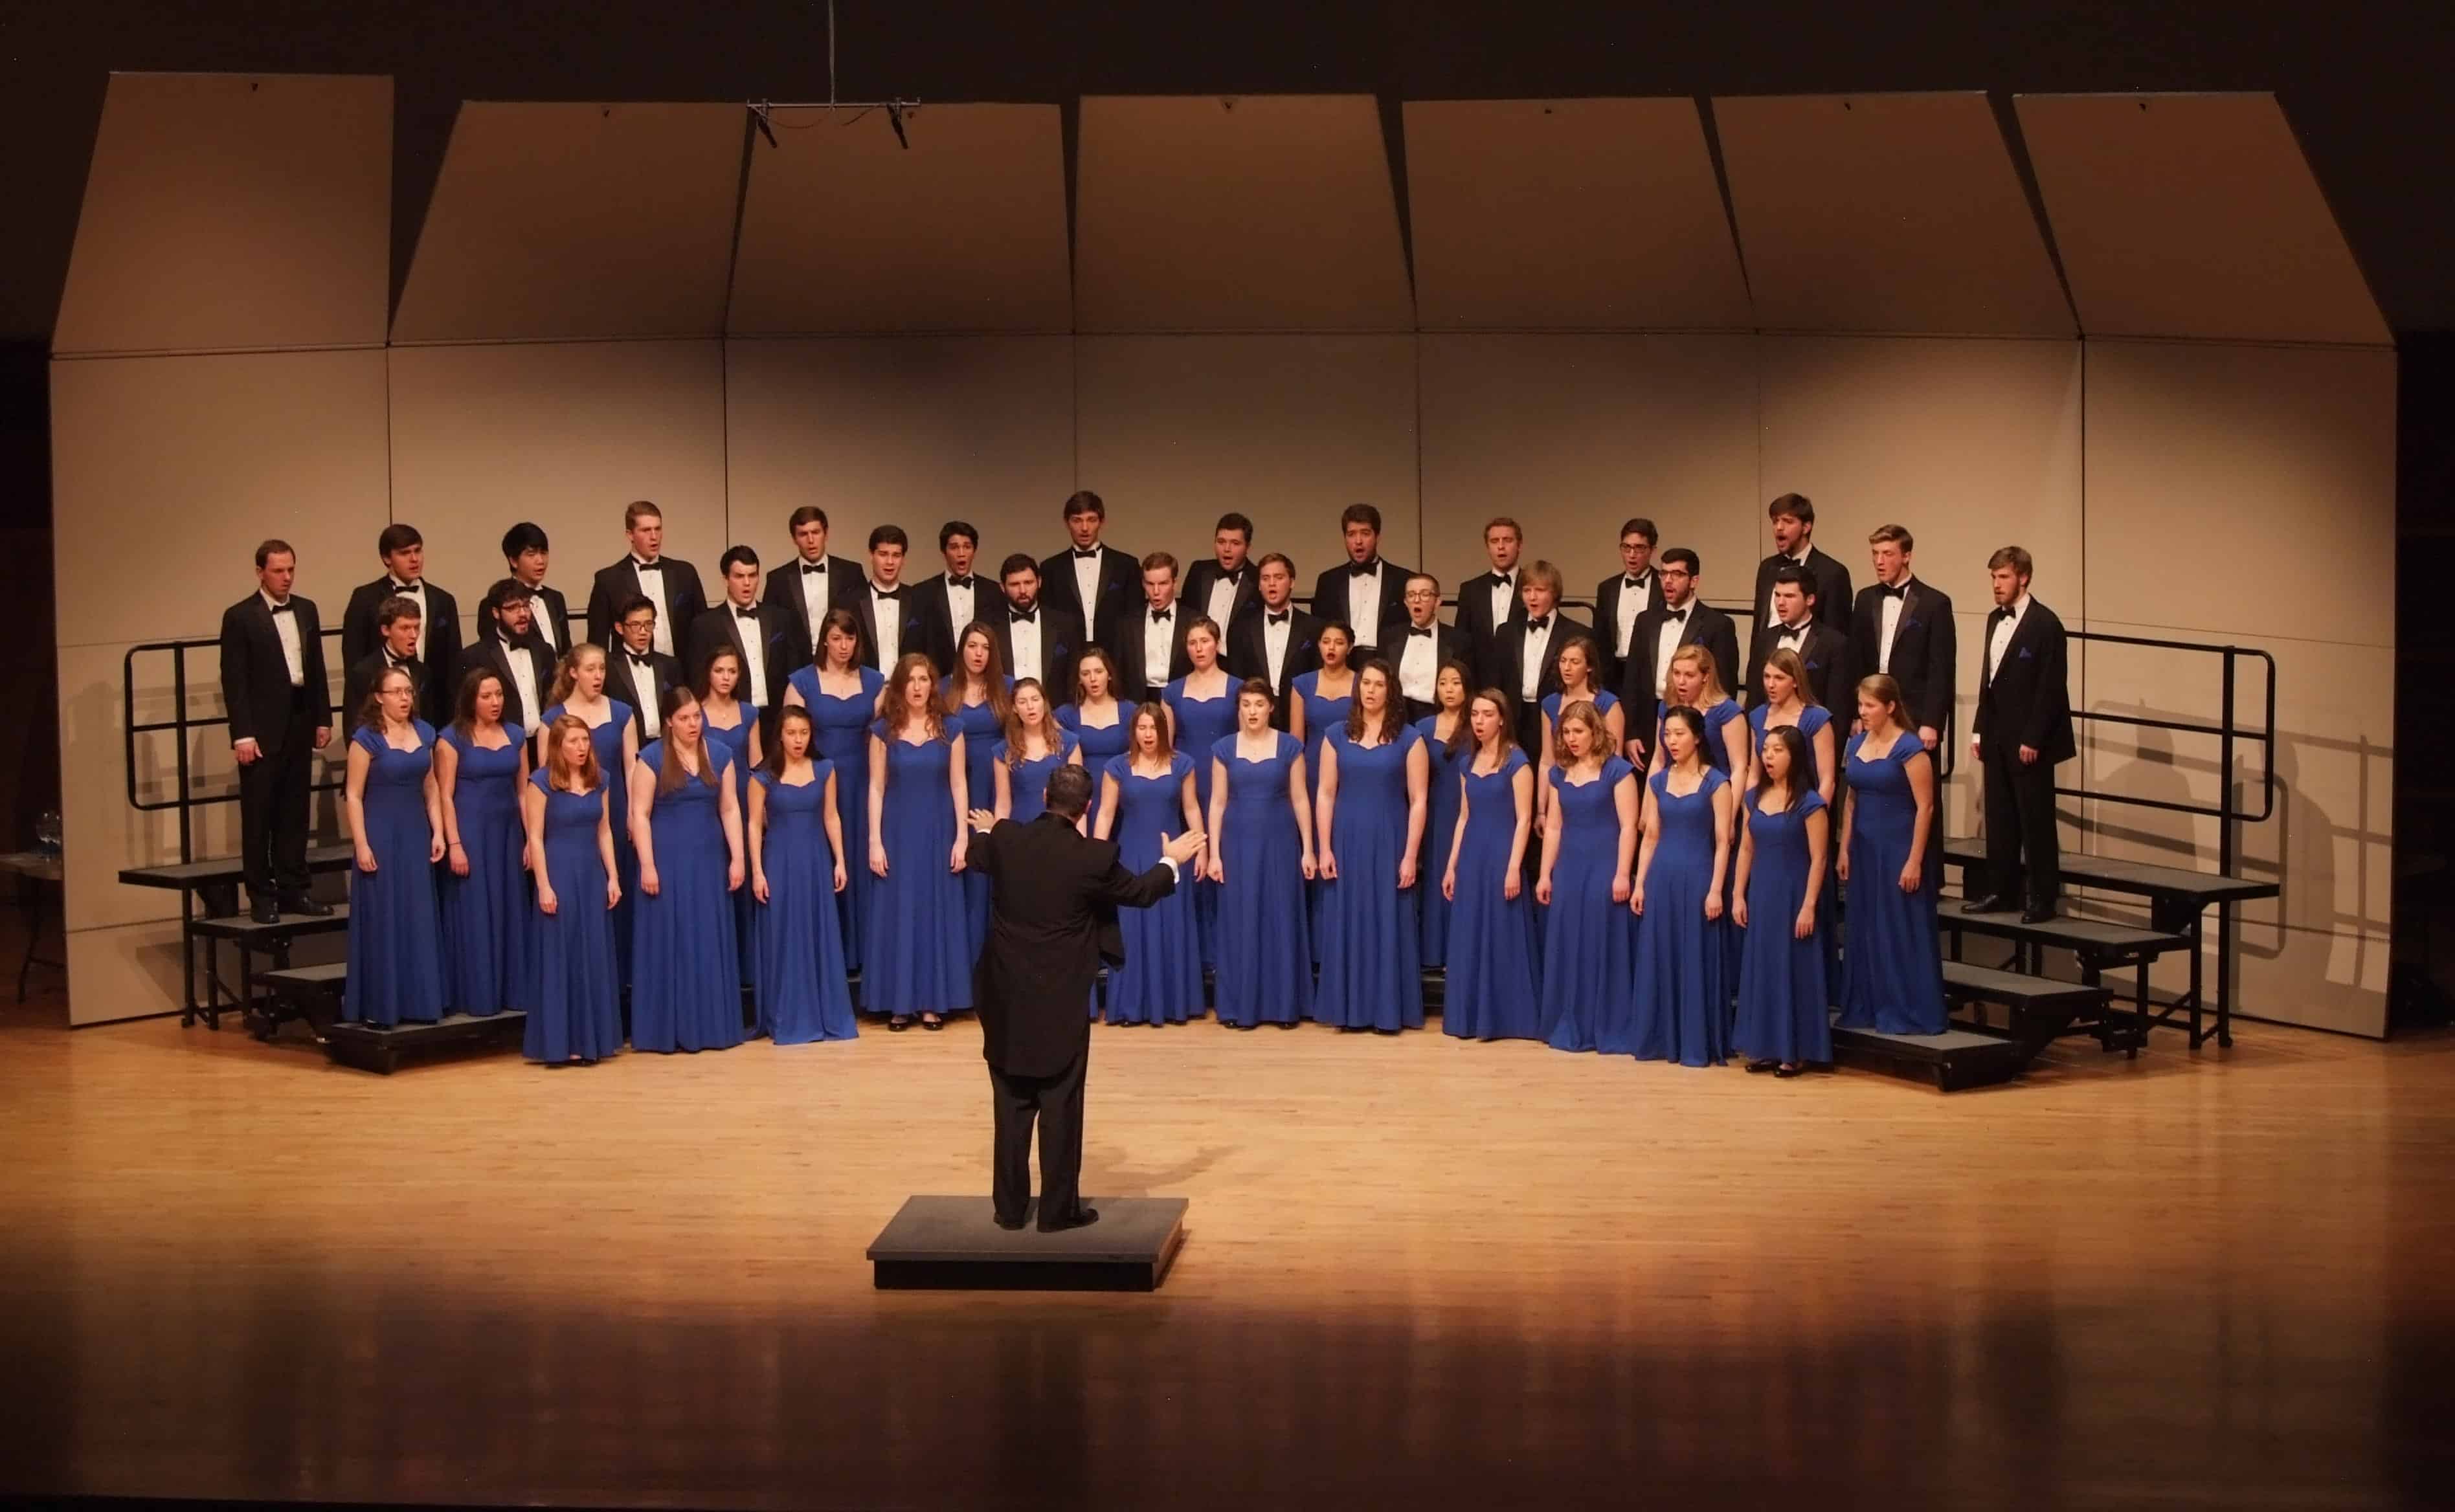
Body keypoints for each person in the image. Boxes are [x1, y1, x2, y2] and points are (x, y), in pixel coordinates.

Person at [965, 764, 1204, 1232]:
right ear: (1087, 808)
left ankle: (1010, 1211)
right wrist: (1172, 859)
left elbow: (979, 855)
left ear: (1044, 796)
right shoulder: (1092, 858)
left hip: (1005, 994)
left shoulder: (1007, 840)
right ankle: (1057, 1212)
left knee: (1010, 1104)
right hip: (1060, 998)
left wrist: (986, 828)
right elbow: (1138, 892)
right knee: (1060, 1105)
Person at [219, 540, 333, 924]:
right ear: (260, 573)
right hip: (262, 729)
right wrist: (243, 734)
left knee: (295, 811)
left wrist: (323, 717)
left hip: (300, 720)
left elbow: (315, 667)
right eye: (278, 571)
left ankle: (294, 890)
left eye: (291, 570)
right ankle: (261, 896)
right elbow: (234, 680)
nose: (286, 578)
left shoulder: (306, 609)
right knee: (259, 814)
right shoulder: (240, 616)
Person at [1312, 660, 1428, 1032]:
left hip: (1390, 839)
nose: (1371, 690)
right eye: (1366, 683)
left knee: (1387, 921)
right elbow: (1325, 794)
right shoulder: (1334, 735)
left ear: (1390, 691)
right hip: (1346, 839)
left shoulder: (1410, 738)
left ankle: (1386, 1010)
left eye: (1379, 684)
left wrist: (1410, 855)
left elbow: (1419, 800)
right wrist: (1324, 847)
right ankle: (1349, 1009)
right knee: (1348, 919)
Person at [628, 685, 745, 1054]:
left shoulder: (721, 754)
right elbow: (639, 815)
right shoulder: (650, 759)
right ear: (668, 721)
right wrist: (647, 864)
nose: (693, 723)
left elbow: (729, 808)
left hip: (708, 859)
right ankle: (670, 1028)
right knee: (671, 938)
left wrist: (738, 857)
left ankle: (712, 1026)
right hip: (668, 859)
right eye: (684, 718)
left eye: (697, 716)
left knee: (707, 936)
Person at [1966, 546, 2076, 923]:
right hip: (1996, 734)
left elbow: (2051, 688)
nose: (1996, 585)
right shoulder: (1993, 620)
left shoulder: (2046, 624)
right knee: (2000, 816)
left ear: (2023, 577)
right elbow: (1989, 680)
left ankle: (2043, 898)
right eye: (1994, 577)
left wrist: (2034, 738)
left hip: (2030, 740)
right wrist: (1980, 728)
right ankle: (2002, 890)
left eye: (2004, 577)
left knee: (2035, 819)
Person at [867, 653, 974, 1030]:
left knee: (934, 911)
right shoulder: (883, 732)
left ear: (933, 685)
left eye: (924, 679)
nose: (917, 687)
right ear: (900, 686)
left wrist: (962, 837)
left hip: (939, 829)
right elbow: (877, 788)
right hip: (897, 831)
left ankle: (932, 1002)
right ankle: (901, 1003)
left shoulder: (953, 729)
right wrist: (874, 841)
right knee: (902, 911)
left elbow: (959, 784)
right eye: (910, 680)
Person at [1840, 675, 1949, 1034]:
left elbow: (1926, 807)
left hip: (1899, 848)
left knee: (1899, 928)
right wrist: (1844, 849)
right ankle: (1867, 1004)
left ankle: (1906, 1007)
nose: (1863, 712)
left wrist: (1915, 859)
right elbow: (1851, 799)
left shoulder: (1911, 748)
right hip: (1865, 848)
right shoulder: (1856, 743)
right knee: (1866, 926)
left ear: (1890, 707)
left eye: (1870, 706)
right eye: (1860, 705)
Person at [1628, 704, 1734, 1067]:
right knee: (1662, 955)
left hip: (1699, 876)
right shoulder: (1657, 781)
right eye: (1667, 734)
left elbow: (1724, 841)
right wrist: (1640, 883)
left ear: (1698, 737)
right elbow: (1651, 837)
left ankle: (1694, 1041)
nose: (1671, 741)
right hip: (1663, 877)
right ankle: (1661, 1037)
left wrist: (1717, 889)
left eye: (1679, 734)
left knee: (1694, 956)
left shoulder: (1717, 782)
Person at [341, 665, 447, 1026]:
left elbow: (431, 788)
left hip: (415, 832)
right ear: (379, 697)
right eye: (397, 692)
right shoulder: (365, 739)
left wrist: (439, 832)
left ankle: (420, 1002)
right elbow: (353, 796)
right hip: (381, 833)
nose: (405, 698)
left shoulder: (425, 733)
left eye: (409, 692)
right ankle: (380, 1006)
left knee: (416, 915)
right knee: (384, 917)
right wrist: (362, 845)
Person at [782, 608, 884, 974]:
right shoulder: (802, 682)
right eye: (837, 638)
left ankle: (865, 956)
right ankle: (827, 955)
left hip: (861, 783)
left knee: (860, 861)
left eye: (850, 638)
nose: (843, 646)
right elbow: (789, 737)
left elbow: (883, 737)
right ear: (825, 639)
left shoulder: (875, 682)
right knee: (823, 863)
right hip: (816, 783)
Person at [1208, 678, 1315, 1028]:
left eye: (1258, 704)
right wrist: (1213, 854)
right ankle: (1241, 1007)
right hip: (1236, 845)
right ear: (1238, 709)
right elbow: (1218, 803)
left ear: (1271, 707)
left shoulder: (1290, 747)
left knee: (1280, 918)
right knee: (1240, 921)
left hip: (1281, 843)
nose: (1252, 711)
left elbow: (1301, 799)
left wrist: (1309, 850)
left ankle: (1284, 1007)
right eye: (1246, 705)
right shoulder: (1223, 748)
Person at [748, 706, 857, 1045]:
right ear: (780, 734)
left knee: (817, 933)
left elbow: (831, 817)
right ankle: (789, 1016)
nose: (798, 740)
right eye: (792, 733)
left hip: (814, 861)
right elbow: (753, 824)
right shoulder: (762, 775)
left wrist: (840, 861)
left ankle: (823, 1014)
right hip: (779, 862)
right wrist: (757, 871)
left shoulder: (825, 769)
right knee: (784, 937)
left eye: (804, 733)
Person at [1536, 700, 1639, 1054]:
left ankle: (1605, 1024)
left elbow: (1629, 828)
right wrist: (1545, 874)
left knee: (1600, 940)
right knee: (1569, 940)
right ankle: (1571, 1020)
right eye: (1566, 732)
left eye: (1578, 731)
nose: (1571, 738)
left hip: (1604, 864)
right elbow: (1553, 826)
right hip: (1570, 866)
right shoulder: (1559, 773)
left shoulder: (1618, 772)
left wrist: (1623, 873)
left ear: (1596, 732)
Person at [1094, 701, 1205, 1026]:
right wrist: (1097, 858)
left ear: (1163, 730)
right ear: (1134, 731)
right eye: (1141, 727)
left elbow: (1192, 809)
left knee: (1171, 925)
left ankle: (1173, 1006)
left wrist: (1202, 849)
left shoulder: (1183, 764)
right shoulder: (1117, 767)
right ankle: (1131, 1007)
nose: (1148, 734)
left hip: (1173, 855)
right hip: (1130, 855)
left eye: (1153, 727)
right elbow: (1105, 814)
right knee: (1132, 929)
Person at [535, 643, 640, 983]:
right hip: (569, 818)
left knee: (616, 891)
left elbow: (631, 767)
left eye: (602, 669)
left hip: (614, 808)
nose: (598, 676)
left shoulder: (622, 713)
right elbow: (545, 777)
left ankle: (620, 979)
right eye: (591, 669)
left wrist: (634, 816)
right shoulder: (553, 720)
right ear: (573, 673)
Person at [1440, 689, 1541, 1041]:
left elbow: (1525, 817)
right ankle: (1469, 1016)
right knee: (1471, 931)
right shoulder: (1468, 762)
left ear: (1502, 718)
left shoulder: (1518, 761)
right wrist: (1452, 865)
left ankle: (1507, 1018)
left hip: (1502, 852)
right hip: (1472, 854)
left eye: (1486, 714)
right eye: (1475, 715)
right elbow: (1464, 817)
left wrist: (1514, 866)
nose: (1479, 721)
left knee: (1502, 931)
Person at [522, 715, 623, 1063]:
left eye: (585, 741)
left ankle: (593, 1038)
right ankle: (561, 1042)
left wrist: (613, 876)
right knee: (561, 954)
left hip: (591, 873)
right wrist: (544, 885)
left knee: (592, 952)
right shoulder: (541, 783)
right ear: (558, 746)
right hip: (560, 873)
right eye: (573, 742)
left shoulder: (601, 780)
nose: (581, 748)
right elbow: (535, 837)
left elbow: (605, 831)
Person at [1732, 723, 1832, 1076]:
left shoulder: (1810, 803)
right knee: (1764, 967)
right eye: (1766, 750)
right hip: (1762, 891)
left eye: (1778, 751)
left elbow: (1819, 858)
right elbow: (1746, 848)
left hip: (1794, 894)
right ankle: (1765, 1046)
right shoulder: (1753, 797)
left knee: (1794, 969)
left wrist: (1808, 905)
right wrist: (1737, 894)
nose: (1769, 757)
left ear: (1795, 756)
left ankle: (1797, 1049)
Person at [436, 668, 530, 1018]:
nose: (495, 702)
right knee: (476, 909)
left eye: (499, 695)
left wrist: (529, 839)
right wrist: (455, 843)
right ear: (471, 699)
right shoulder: (452, 738)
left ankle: (513, 991)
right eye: (486, 696)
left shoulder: (516, 735)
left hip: (507, 833)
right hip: (471, 832)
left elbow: (523, 792)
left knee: (509, 906)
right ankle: (477, 994)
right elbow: (445, 795)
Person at [1619, 548, 1742, 770]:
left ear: (1694, 580)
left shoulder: (1718, 625)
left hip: (1696, 721)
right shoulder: (1645, 620)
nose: (1668, 581)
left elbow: (1725, 684)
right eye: (1664, 574)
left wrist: (1706, 729)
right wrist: (1631, 732)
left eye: (1677, 574)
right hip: (1649, 719)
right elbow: (1632, 679)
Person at [1163, 617, 1237, 962]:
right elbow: (1164, 746)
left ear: (1217, 644)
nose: (1199, 648)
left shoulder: (1238, 688)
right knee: (1192, 860)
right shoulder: (1172, 691)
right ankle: (1198, 955)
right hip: (1187, 784)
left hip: (1227, 782)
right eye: (1192, 643)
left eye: (1205, 641)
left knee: (1225, 858)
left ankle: (1225, 952)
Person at [1848, 524, 1955, 757]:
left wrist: (1932, 722)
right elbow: (1856, 660)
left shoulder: (1934, 603)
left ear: (1906, 556)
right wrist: (1857, 714)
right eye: (1875, 554)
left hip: (1915, 716)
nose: (1879, 561)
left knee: (1918, 788)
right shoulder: (1865, 599)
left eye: (1887, 554)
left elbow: (1942, 669)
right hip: (1873, 713)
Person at [342, 524, 460, 726]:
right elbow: (354, 658)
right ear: (387, 558)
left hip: (433, 708)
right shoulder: (365, 598)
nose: (414, 559)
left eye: (418, 551)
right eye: (405, 553)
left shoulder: (443, 600)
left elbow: (453, 660)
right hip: (381, 708)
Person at [942, 625, 1013, 961]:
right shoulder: (943, 689)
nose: (978, 653)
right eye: (972, 646)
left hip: (996, 782)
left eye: (985, 647)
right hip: (953, 785)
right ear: (962, 650)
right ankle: (962, 963)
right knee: (963, 867)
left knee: (995, 870)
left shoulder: (1008, 688)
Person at [697, 645, 764, 986]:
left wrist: (762, 808)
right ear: (708, 673)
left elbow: (756, 764)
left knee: (744, 875)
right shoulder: (695, 713)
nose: (726, 678)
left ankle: (747, 968)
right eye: (720, 671)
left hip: (742, 799)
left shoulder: (749, 713)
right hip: (708, 803)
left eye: (732, 672)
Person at [1493, 561, 1592, 759]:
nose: (1532, 597)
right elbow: (1498, 680)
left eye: (1540, 590)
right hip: (1514, 721)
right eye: (1527, 590)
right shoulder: (1506, 632)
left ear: (1554, 594)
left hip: (1558, 719)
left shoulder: (1577, 633)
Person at [1411, 660, 1474, 972]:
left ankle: (1461, 954)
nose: (1449, 689)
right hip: (1434, 813)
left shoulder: (1478, 725)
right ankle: (1433, 954)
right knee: (1435, 876)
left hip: (1469, 813)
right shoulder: (1422, 729)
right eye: (1443, 683)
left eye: (1456, 682)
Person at [687, 546, 794, 721]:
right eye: (739, 576)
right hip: (729, 718)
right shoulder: (705, 625)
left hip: (776, 718)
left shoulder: (780, 618)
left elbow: (792, 669)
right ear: (726, 579)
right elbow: (698, 680)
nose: (747, 583)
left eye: (752, 576)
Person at [586, 500, 706, 654]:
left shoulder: (685, 573)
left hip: (683, 673)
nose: (654, 536)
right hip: (630, 674)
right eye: (646, 530)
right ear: (630, 535)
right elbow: (597, 643)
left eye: (658, 529)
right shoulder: (608, 580)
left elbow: (703, 631)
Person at [763, 505, 869, 670]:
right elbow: (772, 633)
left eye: (816, 532)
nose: (811, 540)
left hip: (845, 667)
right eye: (803, 534)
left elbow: (864, 623)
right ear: (794, 538)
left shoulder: (851, 572)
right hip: (796, 669)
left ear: (826, 534)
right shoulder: (778, 579)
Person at [1038, 489, 1139, 659]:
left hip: (1116, 655)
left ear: (1102, 522)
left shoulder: (1126, 565)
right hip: (1067, 656)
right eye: (1077, 521)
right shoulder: (1050, 568)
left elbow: (1134, 619)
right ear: (1067, 523)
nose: (1084, 528)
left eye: (1091, 520)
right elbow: (1048, 621)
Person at [1225, 551, 1319, 729]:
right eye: (1266, 578)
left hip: (1300, 718)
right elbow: (1238, 682)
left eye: (1279, 577)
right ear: (1259, 585)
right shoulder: (1241, 630)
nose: (1272, 584)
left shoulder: (1313, 627)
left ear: (1292, 582)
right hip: (1254, 717)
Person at [1309, 502, 1412, 663]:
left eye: (1365, 533)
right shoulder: (1328, 581)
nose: (1358, 541)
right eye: (1351, 534)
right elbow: (1319, 632)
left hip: (1388, 665)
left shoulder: (1403, 580)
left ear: (1378, 537)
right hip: (1341, 666)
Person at [1536, 633, 1624, 812]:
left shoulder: (1608, 703)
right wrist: (1541, 809)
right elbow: (1547, 760)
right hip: (1562, 788)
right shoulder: (1550, 704)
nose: (1567, 668)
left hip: (1597, 792)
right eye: (1563, 661)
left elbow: (1615, 758)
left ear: (1589, 666)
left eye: (1575, 662)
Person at [1745, 565, 1852, 709]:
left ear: (1810, 599)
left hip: (1812, 730)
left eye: (1789, 596)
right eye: (1777, 595)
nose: (1781, 603)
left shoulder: (1834, 644)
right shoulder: (1764, 639)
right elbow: (1754, 696)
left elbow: (1838, 706)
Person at [461, 578, 556, 735]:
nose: (523, 614)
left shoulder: (544, 651)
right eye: (513, 608)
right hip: (501, 745)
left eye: (526, 606)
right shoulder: (475, 656)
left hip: (541, 742)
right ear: (496, 613)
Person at [1750, 493, 1852, 636]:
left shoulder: (1833, 573)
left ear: (1806, 527)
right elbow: (1758, 628)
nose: (1779, 527)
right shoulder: (1767, 568)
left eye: (1788, 521)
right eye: (1775, 521)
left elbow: (1837, 638)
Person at [1747, 648, 1837, 803]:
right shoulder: (1758, 716)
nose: (1771, 684)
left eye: (1779, 678)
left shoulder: (1816, 718)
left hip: (1802, 808)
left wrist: (1816, 818)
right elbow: (1754, 775)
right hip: (1765, 807)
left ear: (1796, 681)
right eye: (1767, 677)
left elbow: (1827, 781)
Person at [1452, 515, 1527, 693]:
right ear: (1488, 547)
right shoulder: (1470, 589)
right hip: (1480, 681)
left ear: (1520, 545)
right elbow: (1462, 640)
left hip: (1522, 680)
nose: (1501, 547)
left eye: (1507, 540)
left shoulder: (1533, 587)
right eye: (1495, 541)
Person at [990, 553, 1082, 696]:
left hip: (1054, 713)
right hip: (1004, 713)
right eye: (1015, 584)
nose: (1022, 591)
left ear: (1039, 582)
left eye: (1028, 583)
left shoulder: (1065, 625)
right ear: (1002, 587)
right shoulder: (989, 627)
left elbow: (1073, 676)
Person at [1056, 648, 1128, 828]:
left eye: (1099, 672)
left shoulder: (1130, 712)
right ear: (1080, 680)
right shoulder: (1066, 715)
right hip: (1082, 798)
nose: (1093, 679)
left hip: (1122, 796)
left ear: (1109, 675)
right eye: (1086, 674)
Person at [993, 678, 1081, 825]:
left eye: (1035, 699)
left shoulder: (1068, 743)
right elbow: (1003, 804)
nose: (1030, 707)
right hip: (1021, 829)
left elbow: (1078, 801)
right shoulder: (1004, 751)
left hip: (1060, 830)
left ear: (1044, 703)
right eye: (1022, 702)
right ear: (1014, 708)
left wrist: (1080, 842)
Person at [1182, 512, 1263, 666]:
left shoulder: (1258, 578)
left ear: (1248, 547)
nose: (1227, 549)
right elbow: (1185, 616)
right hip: (1195, 664)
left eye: (1235, 543)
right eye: (1221, 542)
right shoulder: (1199, 571)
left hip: (1237, 667)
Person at [854, 525, 934, 676]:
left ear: (903, 559)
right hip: (865, 691)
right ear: (871, 555)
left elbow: (929, 652)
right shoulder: (851, 603)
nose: (890, 562)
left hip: (910, 690)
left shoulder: (920, 601)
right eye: (883, 554)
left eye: (896, 555)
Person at [1592, 517, 1660, 691]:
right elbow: (1600, 639)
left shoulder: (1663, 586)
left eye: (1639, 548)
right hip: (1615, 674)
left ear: (1653, 550)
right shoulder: (1607, 588)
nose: (1632, 554)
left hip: (1651, 672)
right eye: (1626, 547)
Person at [343, 595, 427, 735]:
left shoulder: (423, 671)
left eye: (416, 628)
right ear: (386, 630)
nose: (413, 635)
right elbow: (353, 726)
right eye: (405, 628)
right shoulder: (363, 672)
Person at [912, 520, 987, 674]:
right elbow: (917, 644)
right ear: (943, 552)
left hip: (982, 681)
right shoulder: (923, 592)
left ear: (975, 550)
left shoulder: (992, 591)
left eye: (967, 547)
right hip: (938, 680)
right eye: (954, 547)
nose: (961, 553)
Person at [1393, 572, 1469, 724]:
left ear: (1438, 601)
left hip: (1437, 717)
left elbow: (1466, 689)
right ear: (1406, 602)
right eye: (1411, 595)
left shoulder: (1459, 640)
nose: (1417, 600)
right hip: (1397, 717)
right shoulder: (1390, 637)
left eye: (1425, 594)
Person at [606, 595, 682, 745]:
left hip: (665, 747)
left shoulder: (670, 665)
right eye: (635, 625)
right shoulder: (607, 665)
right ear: (620, 628)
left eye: (648, 624)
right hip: (624, 747)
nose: (643, 632)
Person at [1117, 551, 1192, 704]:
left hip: (1182, 700)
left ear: (1175, 583)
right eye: (1150, 584)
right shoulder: (1127, 624)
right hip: (1138, 702)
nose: (1156, 592)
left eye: (1163, 584)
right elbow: (1119, 671)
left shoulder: (1193, 621)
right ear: (1143, 584)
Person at [502, 521, 570, 656]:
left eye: (544, 553)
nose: (540, 561)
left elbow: (566, 649)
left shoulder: (556, 598)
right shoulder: (497, 601)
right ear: (514, 561)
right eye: (531, 554)